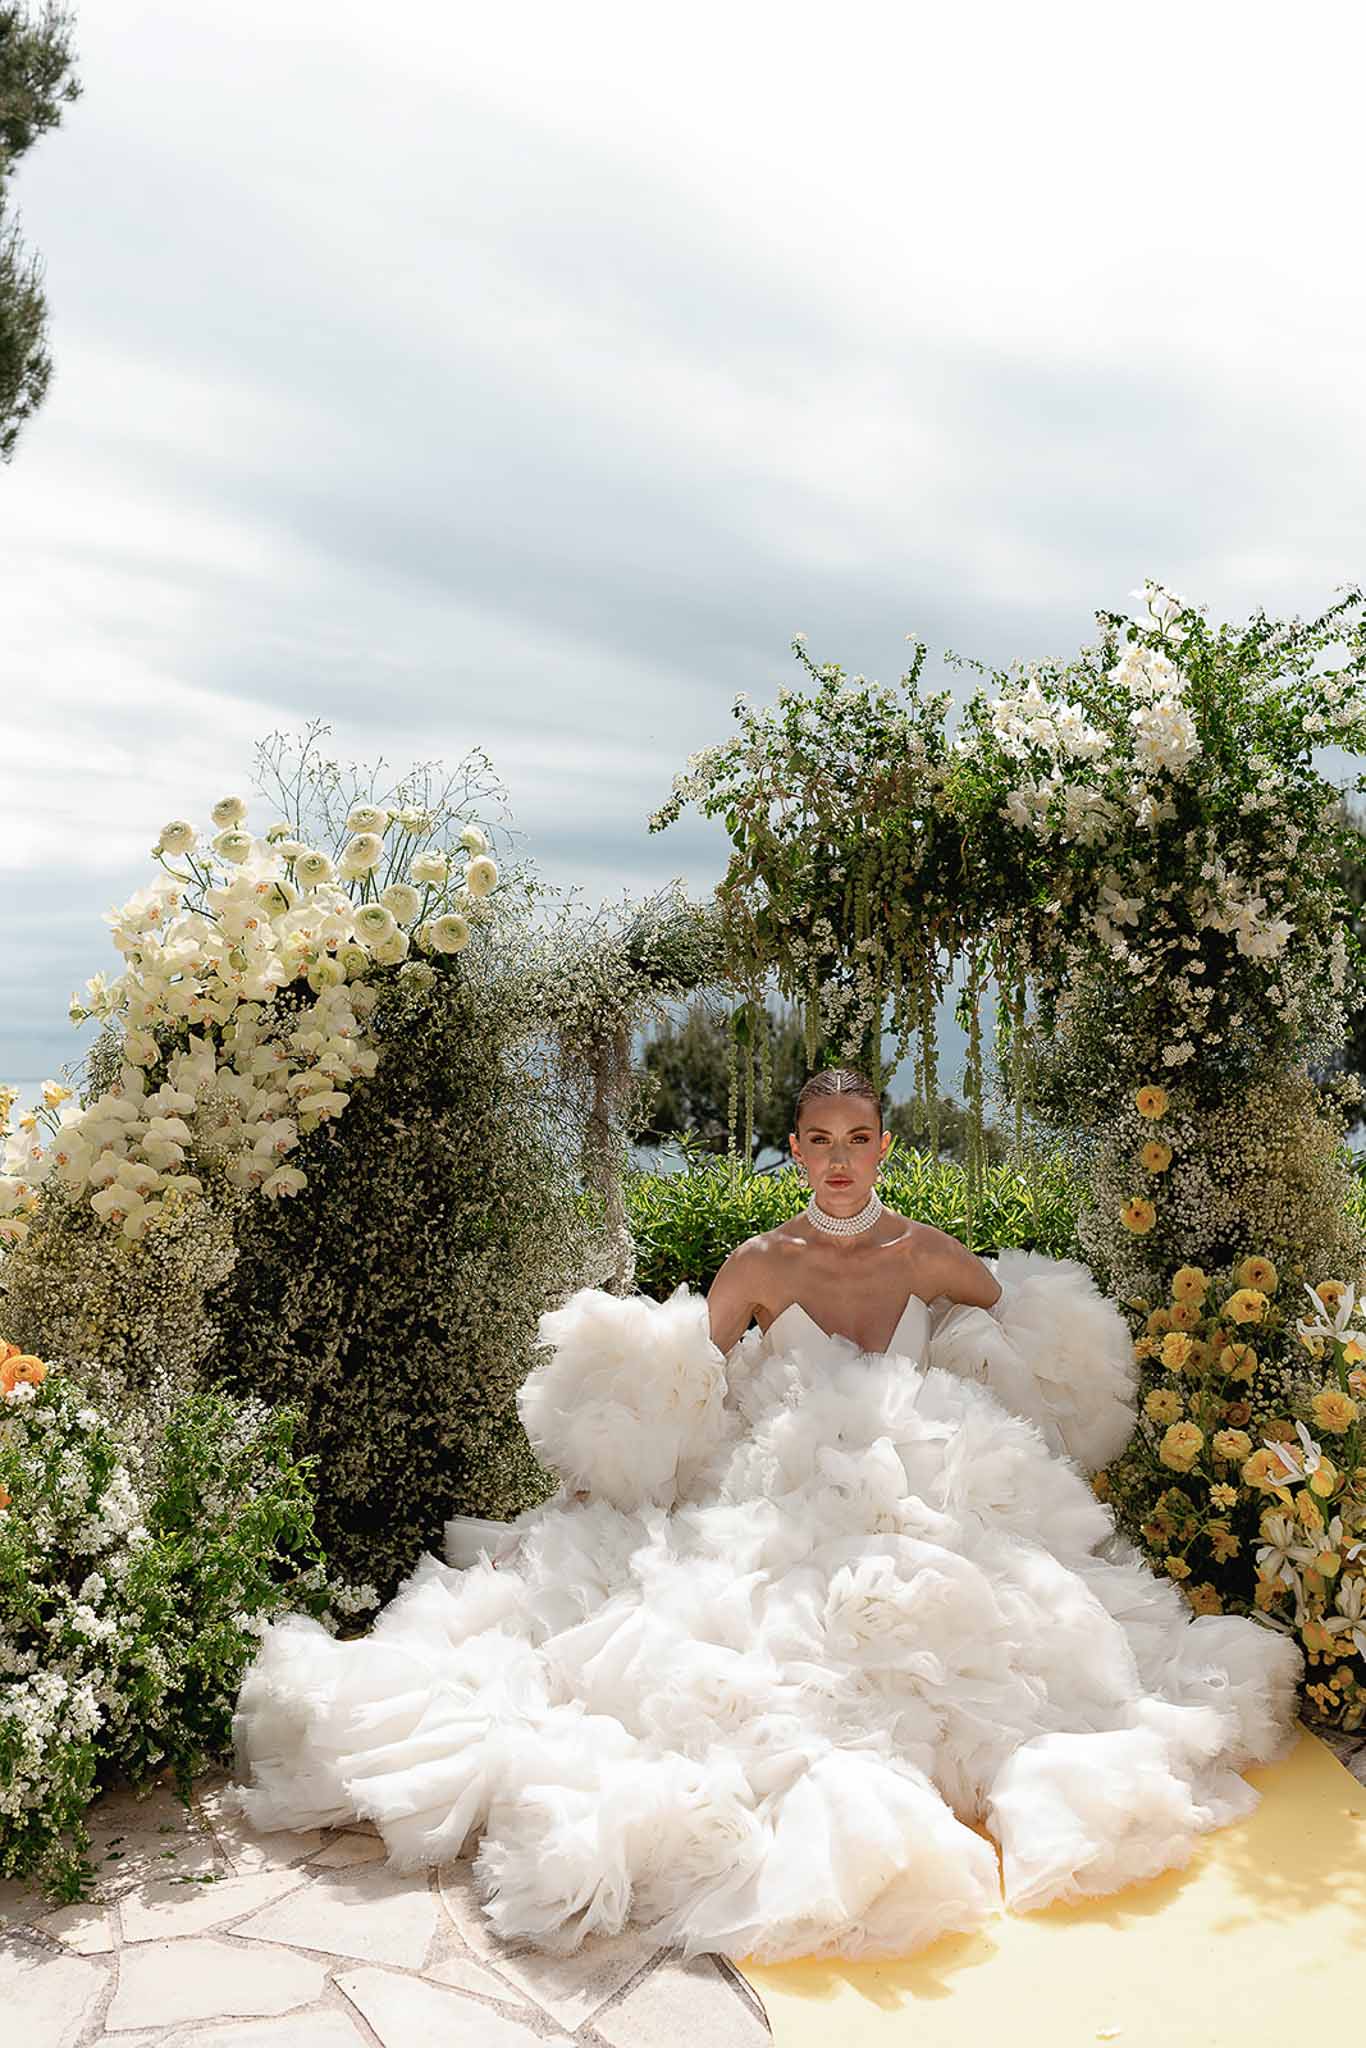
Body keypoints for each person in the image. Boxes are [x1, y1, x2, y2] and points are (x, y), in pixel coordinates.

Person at [225, 1067, 1304, 1967]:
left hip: (925, 1480)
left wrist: (998, 1426)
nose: (840, 1158)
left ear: (884, 1146)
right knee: (750, 1641)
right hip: (783, 1499)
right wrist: (621, 1474)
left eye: (860, 1138)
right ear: (794, 1147)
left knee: (998, 1627)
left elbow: (1017, 1337)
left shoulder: (927, 1252)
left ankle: (953, 1758)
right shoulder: (756, 1262)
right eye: (820, 1139)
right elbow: (705, 1382)